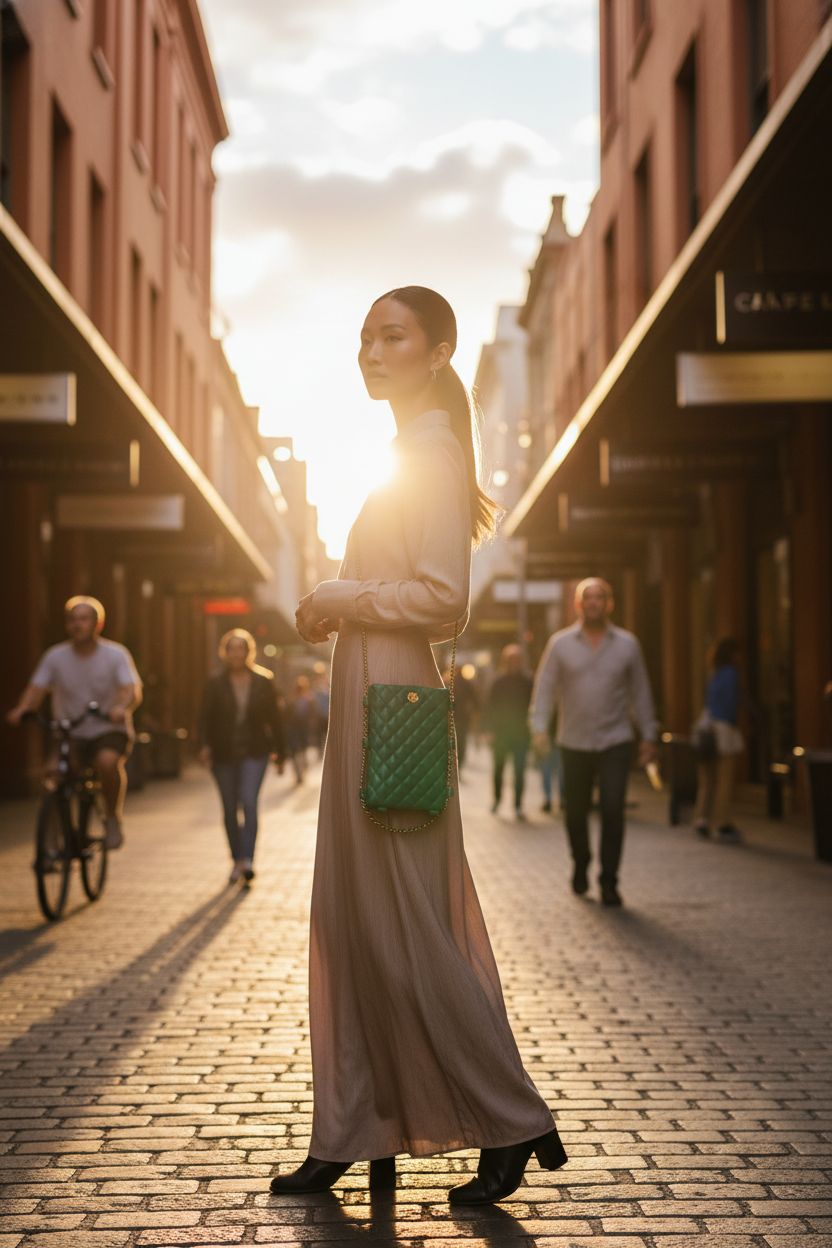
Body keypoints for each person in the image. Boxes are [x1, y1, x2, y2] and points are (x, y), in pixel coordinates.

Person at [280, 286, 566, 1205]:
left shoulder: (432, 456)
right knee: (356, 922)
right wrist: (336, 610)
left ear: (437, 352)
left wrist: (341, 596)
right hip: (371, 697)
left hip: (393, 713)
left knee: (409, 933)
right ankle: (353, 1125)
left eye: (390, 335)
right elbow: (398, 591)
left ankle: (513, 1118)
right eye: (363, 335)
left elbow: (445, 598)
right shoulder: (405, 453)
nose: (370, 350)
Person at [530, 578, 657, 907]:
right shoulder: (560, 644)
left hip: (616, 740)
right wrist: (539, 728)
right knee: (575, 812)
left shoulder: (628, 644)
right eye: (588, 598)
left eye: (601, 597)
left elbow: (641, 692)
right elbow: (545, 688)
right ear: (578, 604)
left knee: (613, 809)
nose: (594, 603)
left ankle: (610, 880)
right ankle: (582, 861)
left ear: (609, 603)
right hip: (573, 741)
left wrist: (649, 736)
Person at [6, 596, 142, 848]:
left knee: (106, 762)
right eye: (72, 620)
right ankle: (51, 838)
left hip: (107, 728)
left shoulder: (115, 655)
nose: (77, 625)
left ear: (97, 624)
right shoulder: (55, 656)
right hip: (70, 731)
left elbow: (130, 689)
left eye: (83, 619)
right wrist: (23, 709)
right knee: (54, 775)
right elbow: (36, 688)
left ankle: (112, 818)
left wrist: (120, 708)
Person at [199, 629, 286, 884]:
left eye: (241, 648)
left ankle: (248, 859)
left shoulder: (263, 681)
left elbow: (275, 720)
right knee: (229, 808)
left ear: (249, 652)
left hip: (254, 752)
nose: (237, 653)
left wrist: (281, 754)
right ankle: (236, 860)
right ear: (225, 653)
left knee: (248, 802)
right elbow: (204, 717)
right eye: (232, 648)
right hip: (223, 753)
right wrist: (204, 745)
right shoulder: (215, 683)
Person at [692, 638, 743, 843]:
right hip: (723, 731)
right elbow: (730, 705)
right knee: (724, 780)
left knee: (706, 780)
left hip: (706, 729)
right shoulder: (731, 674)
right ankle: (722, 823)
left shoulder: (714, 674)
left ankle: (701, 819)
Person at [482, 644, 533, 820]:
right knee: (498, 769)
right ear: (506, 662)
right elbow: (490, 707)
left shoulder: (528, 682)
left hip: (521, 734)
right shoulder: (498, 682)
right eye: (512, 660)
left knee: (519, 771)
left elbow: (532, 707)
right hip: (501, 734)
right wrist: (488, 729)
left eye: (518, 660)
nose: (515, 664)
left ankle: (518, 805)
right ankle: (497, 800)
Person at [285, 675, 319, 783]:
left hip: (301, 730)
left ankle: (301, 771)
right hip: (296, 730)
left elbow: (313, 715)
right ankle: (299, 772)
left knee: (299, 751)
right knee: (298, 751)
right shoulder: (295, 701)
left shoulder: (308, 700)